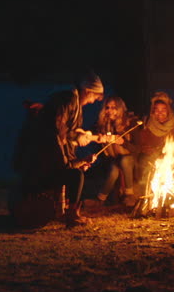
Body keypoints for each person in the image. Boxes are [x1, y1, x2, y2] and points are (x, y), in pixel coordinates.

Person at [11, 71, 111, 227]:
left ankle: (63, 211)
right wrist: (78, 162)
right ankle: (72, 215)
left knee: (74, 172)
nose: (92, 101)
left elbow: (65, 131)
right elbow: (60, 146)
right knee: (76, 175)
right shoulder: (66, 103)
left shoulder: (68, 102)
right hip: (38, 170)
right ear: (87, 91)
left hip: (40, 165)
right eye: (93, 97)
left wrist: (78, 137)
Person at [133, 91, 174, 204]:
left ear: (168, 110)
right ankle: (147, 196)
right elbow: (142, 144)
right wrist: (154, 154)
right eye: (157, 110)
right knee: (144, 162)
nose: (160, 113)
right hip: (152, 156)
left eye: (163, 109)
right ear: (153, 111)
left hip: (171, 156)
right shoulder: (147, 124)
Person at [91, 96, 139, 208]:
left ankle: (129, 195)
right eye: (107, 107)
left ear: (120, 108)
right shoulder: (102, 125)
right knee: (113, 169)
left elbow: (137, 149)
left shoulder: (130, 123)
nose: (110, 111)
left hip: (130, 158)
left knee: (124, 160)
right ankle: (100, 200)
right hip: (113, 158)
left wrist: (123, 142)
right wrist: (99, 139)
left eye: (114, 107)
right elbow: (98, 145)